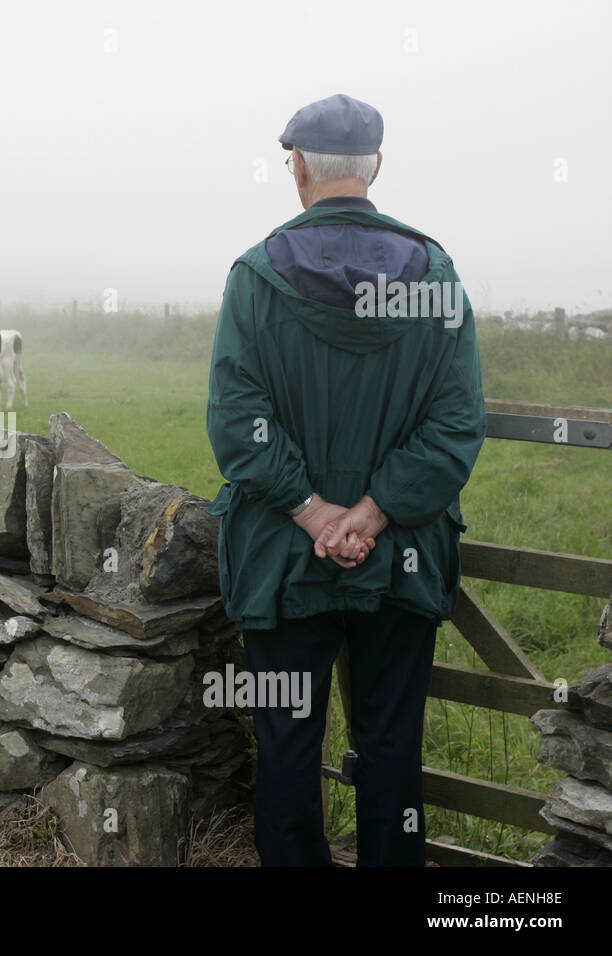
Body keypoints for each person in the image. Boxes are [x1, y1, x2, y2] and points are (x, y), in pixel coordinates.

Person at [204, 93, 487, 866]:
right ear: (377, 168)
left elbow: (238, 419)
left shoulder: (256, 277)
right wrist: (374, 512)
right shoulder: (437, 276)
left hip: (279, 560)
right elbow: (457, 424)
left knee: (288, 746)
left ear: (297, 168)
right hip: (401, 558)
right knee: (391, 745)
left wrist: (311, 511)